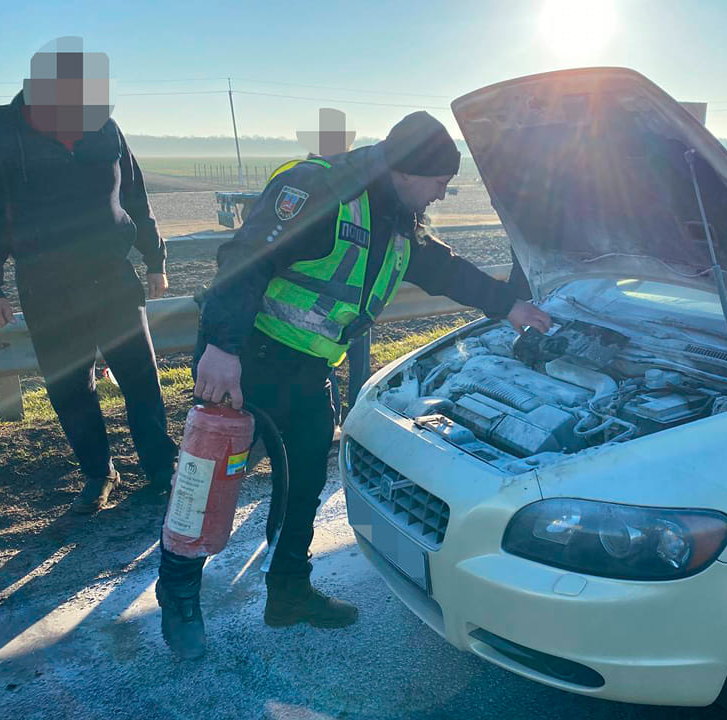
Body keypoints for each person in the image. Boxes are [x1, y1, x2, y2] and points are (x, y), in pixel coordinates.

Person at [156, 111, 551, 659]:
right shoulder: (319, 189)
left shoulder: (395, 215)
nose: (442, 194)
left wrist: (508, 305)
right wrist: (222, 347)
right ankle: (178, 595)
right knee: (206, 484)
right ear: (411, 170)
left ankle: (288, 592)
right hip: (244, 360)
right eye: (440, 182)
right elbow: (244, 260)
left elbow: (438, 268)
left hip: (306, 371)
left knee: (302, 486)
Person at [0, 37, 177, 513]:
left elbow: (135, 197)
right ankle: (98, 473)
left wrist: (155, 260)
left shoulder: (105, 128)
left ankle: (160, 467)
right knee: (70, 387)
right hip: (46, 284)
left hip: (112, 277)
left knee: (141, 379)